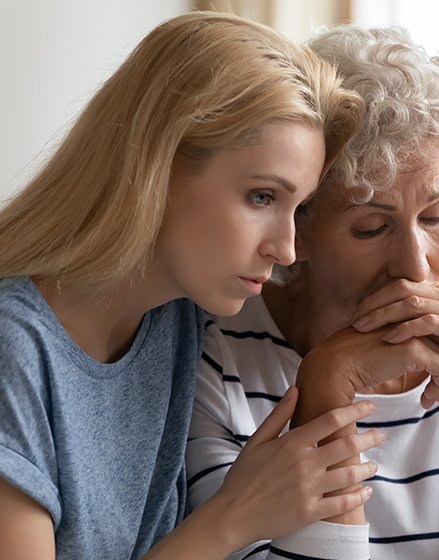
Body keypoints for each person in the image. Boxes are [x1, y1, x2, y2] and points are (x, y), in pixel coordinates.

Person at [187, 25, 439, 559]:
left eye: (438, 216)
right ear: (299, 227)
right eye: (369, 228)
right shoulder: (218, 362)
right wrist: (328, 382)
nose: (414, 265)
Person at [0, 12, 394, 560]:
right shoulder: (14, 348)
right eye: (262, 197)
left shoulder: (179, 308)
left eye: (296, 208)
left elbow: (376, 286)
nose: (286, 249)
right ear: (156, 165)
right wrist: (235, 517)